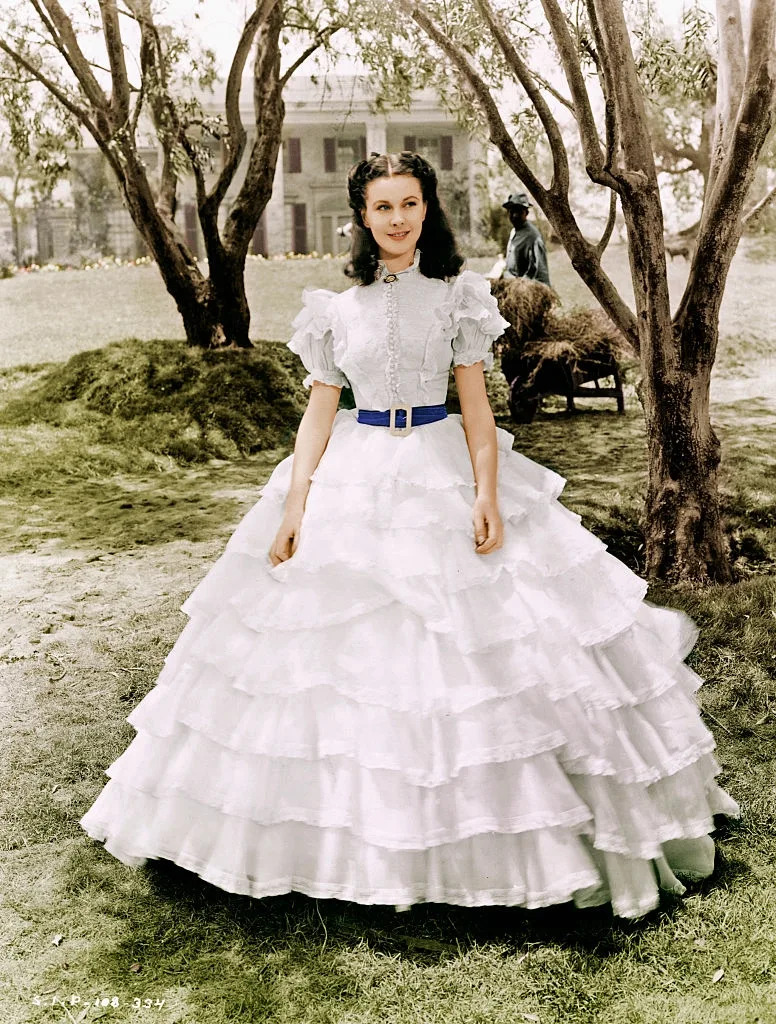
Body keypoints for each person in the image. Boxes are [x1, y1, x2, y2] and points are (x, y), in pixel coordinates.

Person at [79, 152, 738, 920]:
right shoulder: (335, 307)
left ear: (429, 210)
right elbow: (321, 411)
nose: (397, 218)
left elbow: (478, 409)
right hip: (355, 472)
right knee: (328, 658)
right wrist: (296, 506)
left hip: (439, 461)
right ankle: (337, 845)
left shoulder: (460, 297)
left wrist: (487, 493)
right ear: (361, 216)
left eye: (410, 203)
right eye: (382, 206)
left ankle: (502, 843)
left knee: (486, 645)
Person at [502, 191, 551, 286]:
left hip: (523, 288)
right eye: (512, 212)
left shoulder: (533, 236)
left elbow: (541, 272)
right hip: (510, 284)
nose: (515, 215)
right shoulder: (514, 231)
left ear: (526, 213)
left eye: (519, 212)